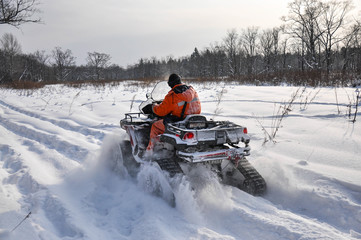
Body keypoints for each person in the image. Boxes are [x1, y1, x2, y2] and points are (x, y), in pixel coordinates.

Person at [146, 73, 201, 152]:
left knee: (155, 126)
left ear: (170, 84)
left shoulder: (172, 96)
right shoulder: (192, 91)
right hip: (194, 120)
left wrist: (153, 107)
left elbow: (161, 111)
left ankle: (149, 151)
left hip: (179, 122)